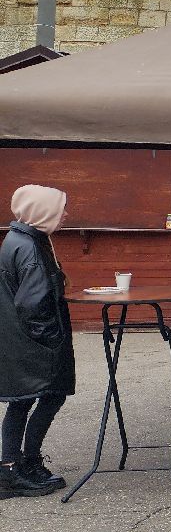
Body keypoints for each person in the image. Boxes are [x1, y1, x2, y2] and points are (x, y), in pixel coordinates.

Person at [0, 185, 73, 498]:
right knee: (43, 396)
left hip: (20, 338)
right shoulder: (29, 247)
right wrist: (53, 340)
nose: (65, 214)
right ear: (42, 212)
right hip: (33, 341)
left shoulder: (23, 240)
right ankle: (15, 468)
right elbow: (33, 304)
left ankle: (21, 464)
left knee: (24, 399)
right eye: (59, 209)